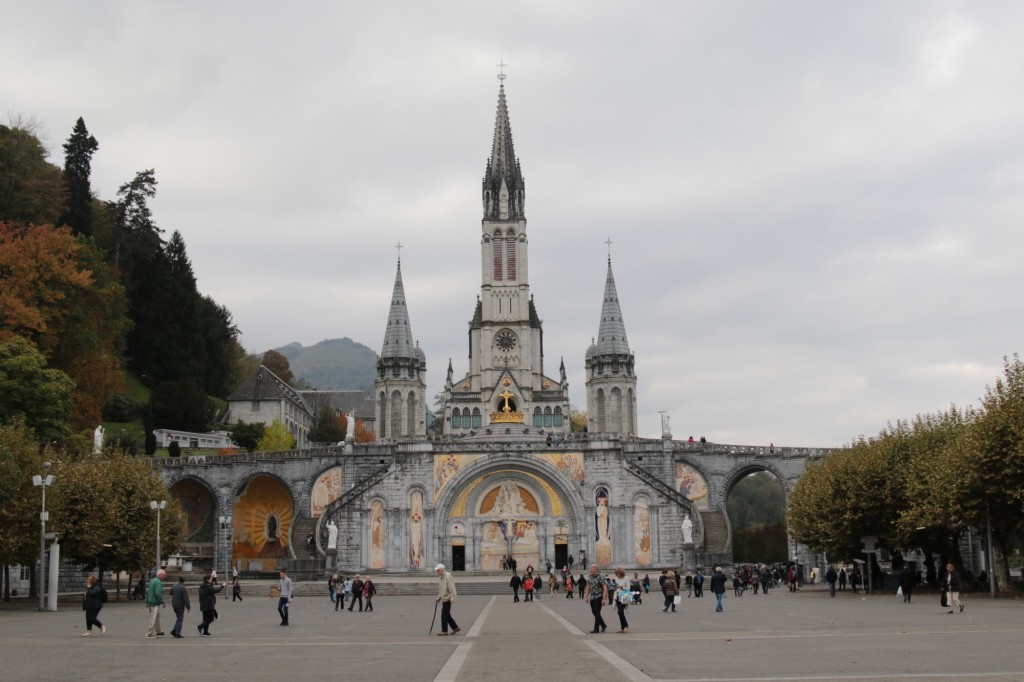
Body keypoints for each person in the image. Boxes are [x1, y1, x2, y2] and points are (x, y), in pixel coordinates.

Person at [435, 563, 460, 636]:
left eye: (438, 570)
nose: (437, 571)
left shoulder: (448, 576)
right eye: (437, 570)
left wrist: (452, 597)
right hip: (444, 598)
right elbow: (442, 588)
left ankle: (444, 630)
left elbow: (452, 587)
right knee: (446, 615)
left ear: (442, 569)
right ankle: (455, 627)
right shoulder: (441, 577)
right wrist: (439, 597)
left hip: (448, 598)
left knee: (444, 615)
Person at [583, 565, 608, 634]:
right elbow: (588, 587)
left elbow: (605, 587)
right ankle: (603, 625)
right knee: (594, 612)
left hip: (599, 596)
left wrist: (604, 598)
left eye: (592, 568)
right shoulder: (590, 576)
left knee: (597, 612)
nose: (591, 569)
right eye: (590, 568)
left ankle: (596, 628)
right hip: (592, 597)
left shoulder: (601, 576)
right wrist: (586, 596)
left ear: (596, 569)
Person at [145, 569, 167, 638]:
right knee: (153, 618)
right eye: (164, 575)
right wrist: (162, 601)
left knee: (156, 617)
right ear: (160, 575)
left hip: (151, 601)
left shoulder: (152, 580)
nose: (165, 577)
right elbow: (158, 593)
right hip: (155, 602)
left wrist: (147, 601)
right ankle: (149, 633)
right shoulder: (158, 582)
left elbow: (148, 592)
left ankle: (158, 632)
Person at [612, 567, 630, 633]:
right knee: (619, 612)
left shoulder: (626, 578)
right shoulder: (616, 578)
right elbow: (616, 586)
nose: (617, 575)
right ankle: (622, 627)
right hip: (617, 595)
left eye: (618, 574)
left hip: (624, 596)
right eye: (616, 574)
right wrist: (614, 587)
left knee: (620, 611)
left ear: (621, 573)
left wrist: (621, 587)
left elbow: (628, 588)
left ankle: (626, 626)